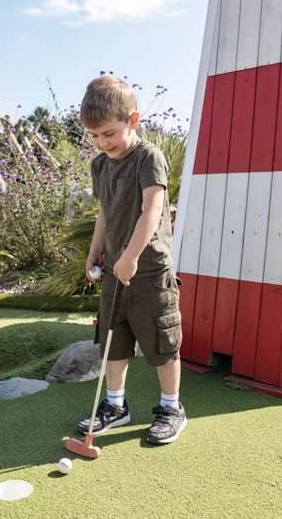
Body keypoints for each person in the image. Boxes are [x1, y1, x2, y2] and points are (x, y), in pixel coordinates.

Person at [76, 75, 186, 444]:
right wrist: (96, 250)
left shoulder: (148, 158)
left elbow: (152, 211)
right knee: (113, 338)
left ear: (132, 121)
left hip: (149, 269)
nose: (102, 142)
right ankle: (115, 406)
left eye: (109, 133)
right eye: (94, 136)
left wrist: (131, 257)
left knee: (161, 340)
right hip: (114, 269)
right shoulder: (100, 165)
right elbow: (105, 213)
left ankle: (171, 408)